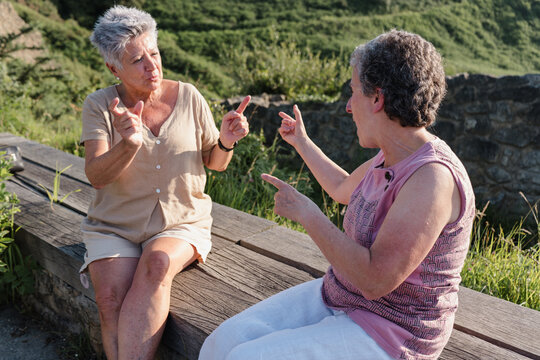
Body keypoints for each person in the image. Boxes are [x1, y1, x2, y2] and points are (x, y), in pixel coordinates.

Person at [199, 29, 475, 360]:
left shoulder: (431, 179)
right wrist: (301, 141)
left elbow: (375, 280)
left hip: (393, 332)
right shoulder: (392, 153)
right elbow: (344, 188)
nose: (347, 105)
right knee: (221, 344)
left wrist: (308, 214)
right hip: (341, 295)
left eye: (353, 91)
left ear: (377, 99)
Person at [79, 6, 250, 360]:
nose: (152, 66)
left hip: (181, 221)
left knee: (156, 263)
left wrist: (227, 140)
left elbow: (214, 163)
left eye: (154, 53)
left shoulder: (188, 96)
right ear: (114, 69)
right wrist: (127, 143)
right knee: (109, 299)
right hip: (116, 225)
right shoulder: (99, 106)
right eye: (137, 59)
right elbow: (96, 176)